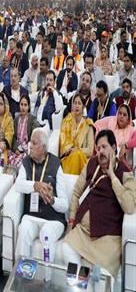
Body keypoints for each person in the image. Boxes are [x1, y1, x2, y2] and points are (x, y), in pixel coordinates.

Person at [62, 130, 136, 278]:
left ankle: (84, 281)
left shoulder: (125, 172)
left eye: (104, 147)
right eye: (98, 148)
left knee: (102, 275)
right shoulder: (91, 163)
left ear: (114, 147)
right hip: (83, 232)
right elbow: (76, 193)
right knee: (66, 248)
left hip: (107, 237)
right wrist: (71, 221)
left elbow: (129, 206)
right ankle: (80, 284)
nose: (100, 151)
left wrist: (112, 175)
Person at [14, 128, 68, 264]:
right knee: (24, 230)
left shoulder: (55, 164)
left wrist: (52, 200)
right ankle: (22, 274)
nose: (30, 146)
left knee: (47, 235)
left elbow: (65, 205)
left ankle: (46, 276)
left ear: (44, 148)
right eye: (30, 142)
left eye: (34, 143)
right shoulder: (26, 162)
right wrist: (35, 185)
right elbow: (18, 185)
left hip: (53, 220)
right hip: (31, 216)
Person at [60, 94, 95, 175]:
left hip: (82, 159)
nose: (77, 106)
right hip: (67, 158)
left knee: (77, 155)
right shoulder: (66, 121)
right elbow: (63, 144)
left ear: (83, 107)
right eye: (75, 103)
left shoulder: (88, 124)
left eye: (79, 103)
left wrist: (77, 151)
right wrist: (71, 151)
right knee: (74, 156)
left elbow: (90, 150)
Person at [95, 103, 136, 170]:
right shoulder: (111, 121)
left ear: (128, 119)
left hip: (121, 164)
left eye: (124, 115)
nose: (121, 116)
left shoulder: (131, 130)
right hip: (105, 158)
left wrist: (125, 145)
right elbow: (96, 124)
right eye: (120, 113)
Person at [7, 95, 40, 168]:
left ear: (28, 107)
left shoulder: (32, 119)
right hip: (17, 149)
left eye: (25, 105)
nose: (23, 107)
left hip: (27, 149)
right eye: (21, 104)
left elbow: (35, 134)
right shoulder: (16, 119)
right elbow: (13, 136)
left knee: (22, 163)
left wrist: (27, 148)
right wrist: (15, 149)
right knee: (8, 159)